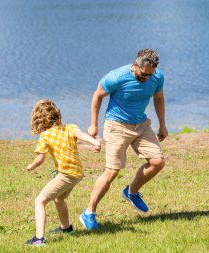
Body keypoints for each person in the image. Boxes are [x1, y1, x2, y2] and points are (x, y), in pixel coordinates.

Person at [79, 48, 168, 230]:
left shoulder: (157, 77)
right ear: (136, 64)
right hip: (116, 125)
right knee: (112, 171)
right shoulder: (117, 77)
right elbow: (97, 95)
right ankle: (89, 212)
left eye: (150, 75)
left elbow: (158, 98)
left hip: (141, 124)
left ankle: (131, 191)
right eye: (143, 74)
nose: (146, 78)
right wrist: (93, 124)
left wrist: (163, 124)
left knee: (157, 162)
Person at [25, 99, 101, 246]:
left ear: (39, 119)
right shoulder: (69, 128)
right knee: (59, 199)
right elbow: (81, 134)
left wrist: (31, 166)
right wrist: (95, 142)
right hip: (77, 173)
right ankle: (66, 229)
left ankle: (39, 239)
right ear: (57, 115)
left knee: (40, 201)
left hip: (66, 175)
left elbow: (40, 158)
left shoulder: (46, 136)